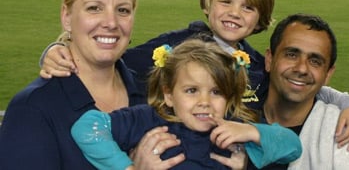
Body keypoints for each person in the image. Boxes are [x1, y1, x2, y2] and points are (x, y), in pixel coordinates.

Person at [39, 0, 349, 159]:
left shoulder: (254, 65)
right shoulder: (177, 46)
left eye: (248, 7)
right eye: (226, 1)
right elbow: (112, 58)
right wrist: (58, 47)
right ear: (208, 3)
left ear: (260, 18)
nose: (235, 14)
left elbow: (299, 84)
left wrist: (348, 103)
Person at [0, 0, 183, 169]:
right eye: (94, 8)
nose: (111, 23)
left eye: (122, 10)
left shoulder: (154, 92)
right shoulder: (33, 108)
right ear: (66, 16)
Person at [71, 38, 302, 170]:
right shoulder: (148, 120)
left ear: (229, 97)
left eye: (216, 92)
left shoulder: (233, 130)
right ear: (169, 95)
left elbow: (292, 147)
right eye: (191, 91)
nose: (204, 102)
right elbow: (87, 127)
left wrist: (252, 132)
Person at [259, 13, 349, 169]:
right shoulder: (233, 114)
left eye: (315, 61)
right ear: (269, 59)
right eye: (291, 55)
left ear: (328, 74)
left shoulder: (347, 136)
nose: (301, 69)